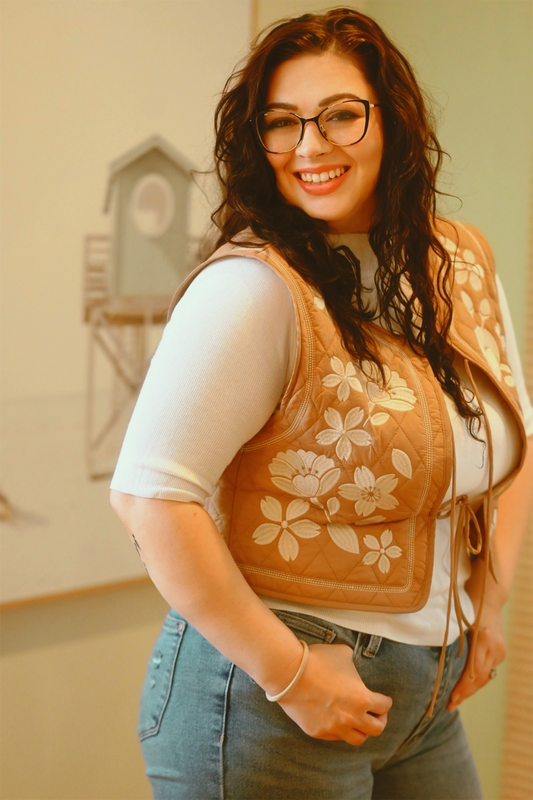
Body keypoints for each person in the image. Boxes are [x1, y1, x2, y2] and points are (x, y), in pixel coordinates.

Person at [110, 8, 533, 799]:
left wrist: (488, 600)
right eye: (282, 123)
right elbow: (150, 497)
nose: (310, 147)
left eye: (340, 114)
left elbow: (516, 442)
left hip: (425, 700)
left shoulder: (458, 260)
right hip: (268, 703)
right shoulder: (252, 289)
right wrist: (292, 674)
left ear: (393, 119)